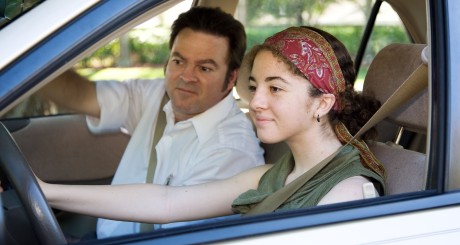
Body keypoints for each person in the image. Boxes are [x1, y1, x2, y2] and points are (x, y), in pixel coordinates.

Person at [37, 26, 386, 227]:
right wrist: (45, 191)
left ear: (322, 103)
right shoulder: (270, 176)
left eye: (275, 88)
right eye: (255, 86)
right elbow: (166, 202)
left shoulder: (347, 194)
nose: (256, 101)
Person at [38, 7, 265, 238]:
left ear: (231, 78)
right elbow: (82, 96)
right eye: (179, 61)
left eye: (204, 68)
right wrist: (30, 55)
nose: (186, 76)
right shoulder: (156, 96)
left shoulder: (232, 150)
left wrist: (44, 192)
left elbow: (174, 229)